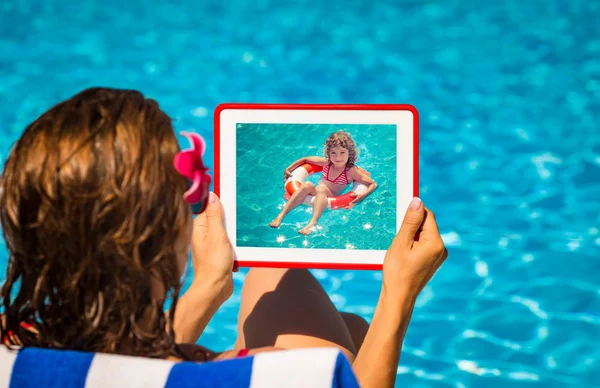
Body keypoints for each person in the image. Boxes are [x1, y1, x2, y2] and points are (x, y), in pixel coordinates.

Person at [0, 88, 447, 388]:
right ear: (159, 236)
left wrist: (209, 288)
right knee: (343, 326)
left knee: (324, 309)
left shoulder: (11, 346)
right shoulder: (243, 378)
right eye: (189, 190)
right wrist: (399, 291)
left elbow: (115, 363)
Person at [269, 131, 377, 235]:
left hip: (330, 196)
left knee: (321, 188)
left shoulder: (350, 170)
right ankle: (281, 215)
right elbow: (305, 159)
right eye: (333, 153)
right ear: (328, 153)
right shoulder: (326, 163)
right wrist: (288, 169)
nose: (338, 157)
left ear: (350, 153)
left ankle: (312, 223)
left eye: (342, 152)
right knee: (307, 185)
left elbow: (373, 184)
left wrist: (361, 197)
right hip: (317, 192)